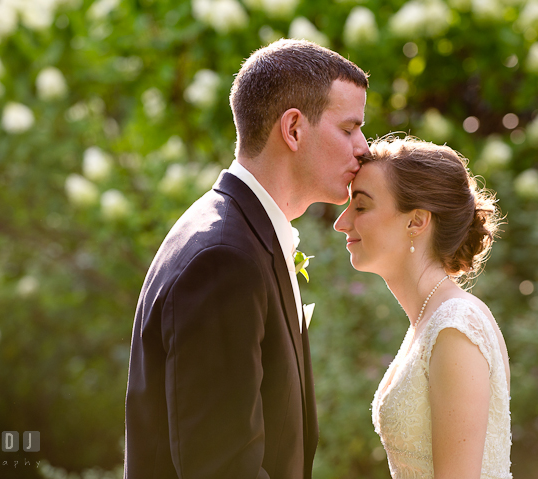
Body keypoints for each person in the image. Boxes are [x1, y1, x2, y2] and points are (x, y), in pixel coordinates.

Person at [124, 39, 370, 479]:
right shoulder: (223, 259)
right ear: (293, 129)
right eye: (349, 128)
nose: (364, 147)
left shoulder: (240, 236)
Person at [334, 136, 512, 479]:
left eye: (361, 206)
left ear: (416, 222)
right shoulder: (429, 321)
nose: (341, 223)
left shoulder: (455, 326)